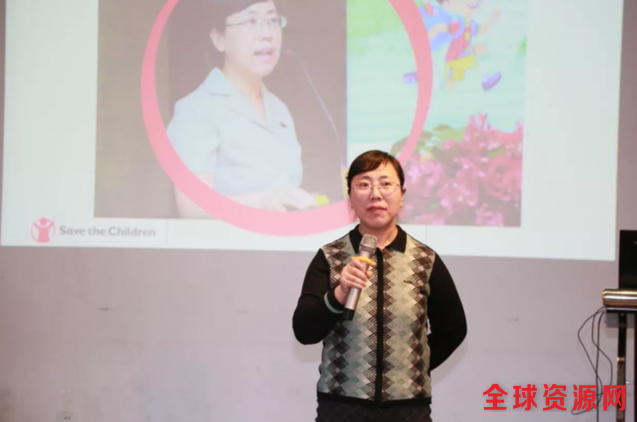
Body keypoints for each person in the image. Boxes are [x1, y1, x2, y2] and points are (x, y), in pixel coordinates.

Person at [292, 150, 467, 422]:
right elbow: (304, 331)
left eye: (386, 184)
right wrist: (338, 294)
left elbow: (453, 330)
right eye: (364, 184)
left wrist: (410, 367)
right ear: (350, 198)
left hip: (408, 411)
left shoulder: (425, 260)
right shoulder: (330, 257)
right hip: (340, 409)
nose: (375, 194)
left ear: (402, 195)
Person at [166, 0, 317, 218]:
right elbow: (193, 206)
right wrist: (261, 202)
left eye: (272, 21)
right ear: (219, 39)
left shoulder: (279, 109)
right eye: (251, 21)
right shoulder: (195, 110)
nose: (266, 34)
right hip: (230, 241)